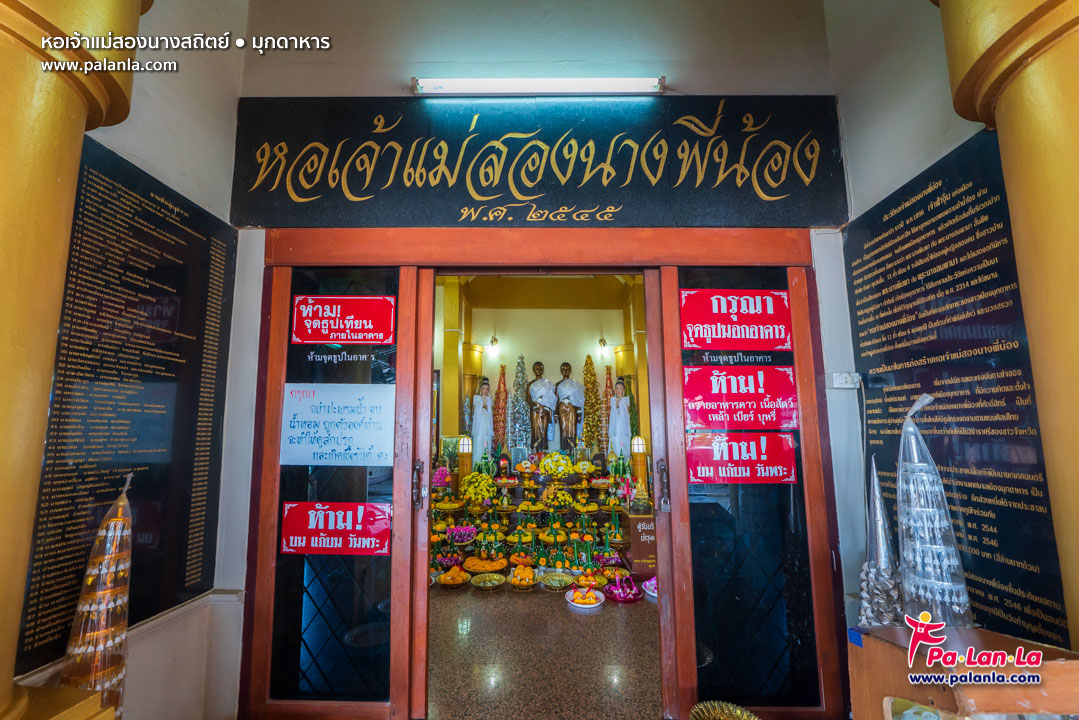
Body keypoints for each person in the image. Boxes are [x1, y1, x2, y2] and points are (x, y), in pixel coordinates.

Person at [526, 361, 556, 452]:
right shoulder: (530, 384)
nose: (539, 370)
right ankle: (536, 451)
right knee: (536, 430)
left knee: (544, 431)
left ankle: (543, 450)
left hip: (545, 410)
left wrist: (545, 406)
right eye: (537, 368)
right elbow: (528, 397)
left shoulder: (547, 383)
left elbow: (552, 397)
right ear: (533, 370)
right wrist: (534, 405)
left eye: (541, 368)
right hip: (535, 410)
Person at [555, 362, 584, 452]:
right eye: (563, 369)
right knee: (563, 429)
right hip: (562, 408)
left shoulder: (574, 384)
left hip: (572, 408)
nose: (565, 371)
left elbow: (578, 398)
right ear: (560, 371)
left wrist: (579, 412)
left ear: (570, 370)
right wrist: (555, 413)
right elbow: (555, 399)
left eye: (567, 369)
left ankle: (572, 450)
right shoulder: (558, 384)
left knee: (572, 429)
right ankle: (564, 450)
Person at [608, 377, 631, 459]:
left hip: (623, 424)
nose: (618, 390)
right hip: (615, 424)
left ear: (623, 389)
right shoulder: (613, 399)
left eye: (620, 388)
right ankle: (614, 459)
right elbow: (615, 409)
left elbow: (627, 412)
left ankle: (624, 461)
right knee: (615, 440)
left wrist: (621, 402)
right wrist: (617, 400)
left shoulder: (626, 399)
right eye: (617, 388)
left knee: (623, 441)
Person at [471, 377, 494, 462]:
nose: (485, 390)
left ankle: (487, 463)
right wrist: (482, 404)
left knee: (486, 439)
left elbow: (489, 409)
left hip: (486, 421)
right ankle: (477, 463)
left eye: (487, 389)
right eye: (483, 388)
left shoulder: (489, 399)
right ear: (480, 389)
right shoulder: (476, 398)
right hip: (479, 422)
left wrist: (485, 404)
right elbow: (474, 410)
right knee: (479, 440)